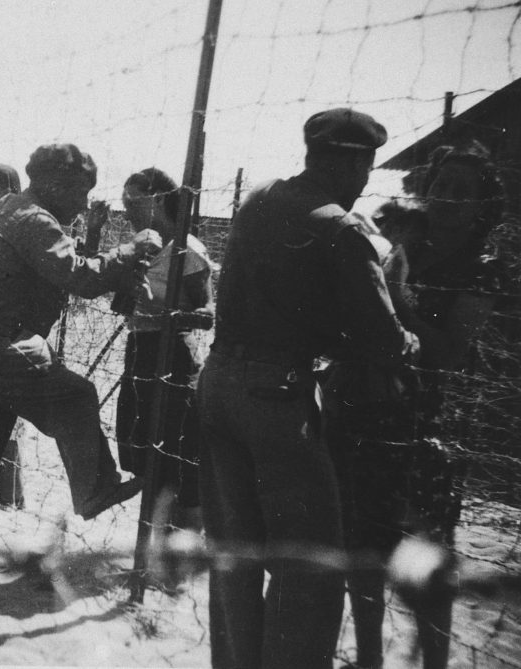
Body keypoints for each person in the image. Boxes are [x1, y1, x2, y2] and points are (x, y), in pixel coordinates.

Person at [196, 109, 419, 669]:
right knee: (310, 561)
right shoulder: (342, 228)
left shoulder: (260, 200)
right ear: (357, 163)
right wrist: (412, 341)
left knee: (236, 553)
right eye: (366, 165)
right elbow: (383, 338)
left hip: (218, 381)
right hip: (277, 395)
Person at [0, 143, 162, 576]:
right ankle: (96, 488)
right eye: (80, 191)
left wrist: (98, 243)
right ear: (55, 185)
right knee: (76, 397)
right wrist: (132, 249)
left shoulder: (12, 212)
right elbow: (78, 275)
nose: (83, 202)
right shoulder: (33, 219)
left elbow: (65, 262)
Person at [324, 141, 508, 669]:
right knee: (362, 552)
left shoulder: (482, 267)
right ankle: (368, 659)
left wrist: (393, 298)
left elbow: (447, 352)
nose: (446, 198)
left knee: (426, 561)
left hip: (429, 427)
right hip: (364, 411)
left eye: (461, 191)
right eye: (439, 186)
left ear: (482, 206)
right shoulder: (398, 243)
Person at [115, 168, 215, 537]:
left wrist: (163, 310)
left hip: (172, 354)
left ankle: (178, 549)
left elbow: (207, 315)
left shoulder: (187, 250)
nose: (125, 210)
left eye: (132, 201)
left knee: (175, 453)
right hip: (140, 348)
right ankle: (154, 546)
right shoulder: (144, 246)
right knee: (141, 448)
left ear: (156, 201)